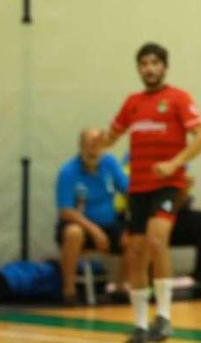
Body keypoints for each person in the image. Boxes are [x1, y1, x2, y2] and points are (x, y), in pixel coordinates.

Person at [104, 43, 201, 343]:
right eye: (143, 63)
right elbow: (112, 136)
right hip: (137, 188)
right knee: (136, 251)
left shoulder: (178, 98)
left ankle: (163, 317)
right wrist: (99, 142)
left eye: (154, 63)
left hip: (168, 184)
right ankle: (140, 324)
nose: (148, 68)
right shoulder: (132, 103)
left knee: (156, 240)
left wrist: (174, 163)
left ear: (164, 66)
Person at [55, 128, 129, 304]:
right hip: (80, 224)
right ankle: (69, 290)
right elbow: (65, 210)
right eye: (89, 143)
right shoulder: (68, 171)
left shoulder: (110, 164)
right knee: (74, 233)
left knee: (136, 236)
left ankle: (120, 288)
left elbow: (128, 189)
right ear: (81, 146)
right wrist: (94, 230)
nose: (93, 148)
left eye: (97, 143)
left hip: (109, 224)